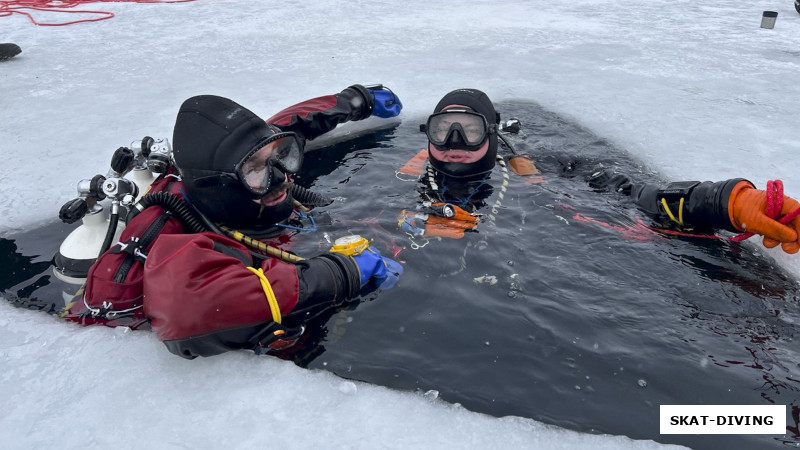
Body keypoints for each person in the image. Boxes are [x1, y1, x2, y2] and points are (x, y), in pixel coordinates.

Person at [64, 84, 404, 359]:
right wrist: (340, 273)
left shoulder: (232, 169)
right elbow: (191, 307)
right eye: (255, 170)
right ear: (216, 183)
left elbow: (287, 124)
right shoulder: (169, 232)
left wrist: (353, 100)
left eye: (279, 157)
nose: (282, 178)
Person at [396, 88, 800, 254]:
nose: (453, 145)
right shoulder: (401, 176)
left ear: (493, 135)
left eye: (468, 131)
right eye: (442, 131)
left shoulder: (535, 166)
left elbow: (622, 189)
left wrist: (719, 202)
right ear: (426, 133)